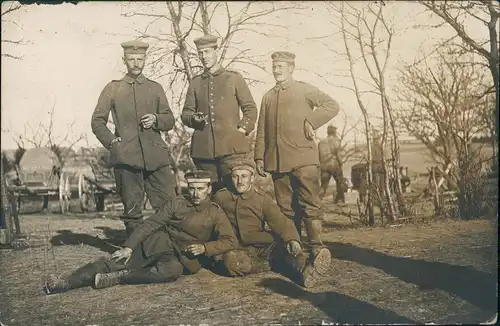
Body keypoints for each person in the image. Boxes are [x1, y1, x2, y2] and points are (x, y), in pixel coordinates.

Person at [43, 170, 238, 295]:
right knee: (114, 261)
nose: (195, 193)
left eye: (200, 189)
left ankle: (122, 277)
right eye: (192, 188)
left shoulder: (215, 212)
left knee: (170, 272)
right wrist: (129, 247)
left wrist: (205, 247)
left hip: (183, 258)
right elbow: (151, 223)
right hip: (159, 244)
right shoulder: (177, 203)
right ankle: (66, 282)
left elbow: (230, 241)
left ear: (208, 189)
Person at [254, 51, 340, 257]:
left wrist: (312, 120)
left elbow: (331, 105)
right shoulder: (268, 97)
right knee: (285, 208)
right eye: (274, 67)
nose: (276, 71)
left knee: (310, 203)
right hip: (278, 162)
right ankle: (294, 248)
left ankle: (317, 247)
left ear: (291, 68)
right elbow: (261, 130)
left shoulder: (304, 90)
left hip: (304, 161)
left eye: (281, 67)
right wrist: (259, 156)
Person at [91, 40, 177, 236]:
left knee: (169, 205)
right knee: (132, 211)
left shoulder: (155, 88)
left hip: (156, 158)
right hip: (126, 158)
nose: (136, 63)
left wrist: (156, 119)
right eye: (132, 59)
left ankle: (170, 247)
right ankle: (137, 253)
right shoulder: (112, 88)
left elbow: (169, 119)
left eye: (140, 59)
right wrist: (112, 141)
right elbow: (97, 121)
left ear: (145, 59)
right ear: (124, 60)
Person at [213, 159, 332, 288]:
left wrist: (292, 239)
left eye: (244, 176)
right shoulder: (221, 197)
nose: (240, 181)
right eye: (235, 177)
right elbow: (211, 222)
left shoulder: (262, 199)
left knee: (287, 249)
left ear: (252, 178)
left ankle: (305, 271)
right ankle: (267, 265)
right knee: (231, 261)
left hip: (263, 244)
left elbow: (279, 221)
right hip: (238, 247)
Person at [181, 34, 258, 194]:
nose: (204, 57)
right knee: (211, 197)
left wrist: (242, 130)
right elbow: (185, 113)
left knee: (234, 194)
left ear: (216, 50)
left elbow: (250, 109)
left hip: (232, 150)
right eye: (200, 53)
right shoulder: (196, 83)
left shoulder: (234, 79)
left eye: (207, 52)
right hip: (204, 152)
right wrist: (193, 119)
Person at [318, 125, 346, 204]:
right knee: (340, 182)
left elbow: (319, 156)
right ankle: (340, 200)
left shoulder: (321, 142)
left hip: (324, 166)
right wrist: (341, 163)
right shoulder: (336, 141)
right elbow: (338, 154)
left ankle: (318, 200)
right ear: (334, 132)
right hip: (334, 164)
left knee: (323, 185)